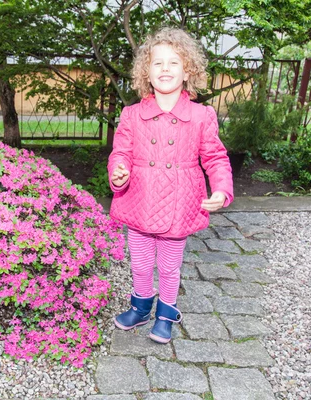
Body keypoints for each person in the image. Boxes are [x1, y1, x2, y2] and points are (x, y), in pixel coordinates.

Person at [108, 27, 233, 343]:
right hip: (139, 201)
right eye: (157, 63)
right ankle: (139, 307)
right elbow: (120, 152)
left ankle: (165, 313)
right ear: (146, 73)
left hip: (178, 206)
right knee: (139, 264)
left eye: (173, 62)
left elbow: (215, 156)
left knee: (168, 267)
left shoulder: (202, 116)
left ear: (188, 70)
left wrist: (221, 189)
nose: (165, 69)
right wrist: (118, 171)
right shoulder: (132, 115)